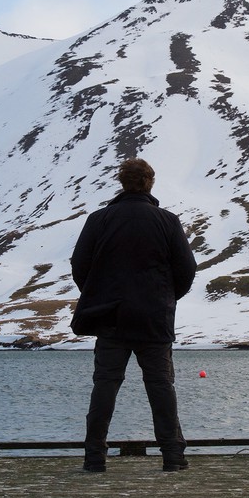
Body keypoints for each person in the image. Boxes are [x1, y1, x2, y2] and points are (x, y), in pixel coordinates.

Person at [70, 158, 197, 473]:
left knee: (105, 385)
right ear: (149, 182)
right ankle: (173, 457)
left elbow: (79, 266)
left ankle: (94, 458)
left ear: (122, 182)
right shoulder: (167, 221)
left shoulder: (99, 220)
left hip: (110, 315)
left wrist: (97, 294)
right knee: (160, 386)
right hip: (154, 317)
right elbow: (187, 269)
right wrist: (166, 297)